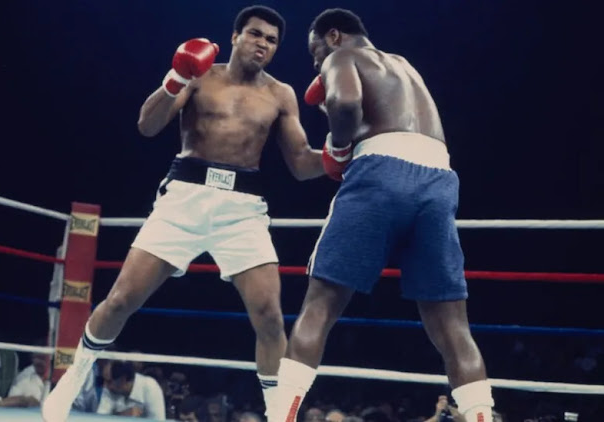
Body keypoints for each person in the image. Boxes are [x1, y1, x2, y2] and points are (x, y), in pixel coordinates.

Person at [42, 5, 324, 421]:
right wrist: (175, 79)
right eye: (255, 34)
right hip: (185, 197)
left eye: (271, 39)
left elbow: (301, 163)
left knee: (268, 315)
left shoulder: (280, 94)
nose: (262, 43)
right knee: (121, 300)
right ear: (235, 36)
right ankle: (70, 382)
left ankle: (278, 413)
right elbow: (148, 125)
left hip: (243, 209)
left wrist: (337, 155)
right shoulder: (201, 76)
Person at [272, 8, 494, 422]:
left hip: (380, 171)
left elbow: (347, 100)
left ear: (333, 35)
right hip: (439, 179)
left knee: (319, 306)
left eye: (315, 52)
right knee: (452, 328)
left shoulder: (342, 57)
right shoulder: (405, 66)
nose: (316, 63)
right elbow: (376, 113)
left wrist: (338, 147)